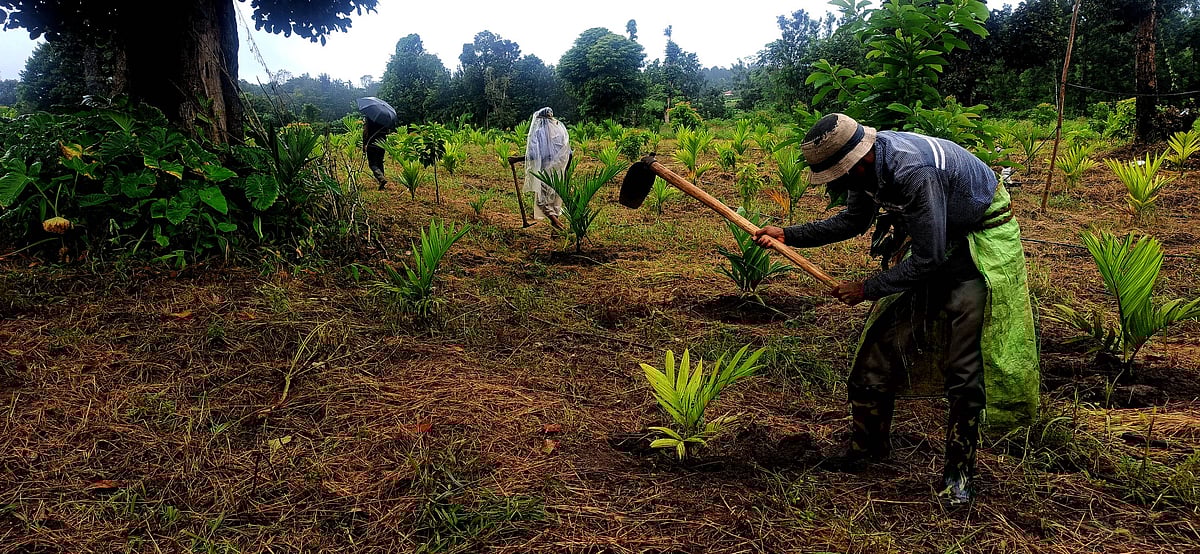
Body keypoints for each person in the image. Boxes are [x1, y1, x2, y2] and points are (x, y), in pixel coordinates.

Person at [754, 113, 1040, 506]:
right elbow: (854, 221)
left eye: (839, 174)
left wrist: (866, 289)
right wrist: (789, 234)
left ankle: (959, 475)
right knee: (878, 349)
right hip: (933, 242)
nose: (837, 183)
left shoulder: (912, 172)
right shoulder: (865, 171)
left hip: (974, 247)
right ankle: (868, 448)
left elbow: (928, 259)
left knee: (964, 365)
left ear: (859, 159)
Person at [524, 107, 571, 229]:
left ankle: (558, 225)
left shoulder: (539, 132)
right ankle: (555, 232)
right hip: (559, 170)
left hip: (546, 171)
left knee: (541, 201)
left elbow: (533, 154)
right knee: (555, 200)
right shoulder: (560, 130)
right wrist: (565, 170)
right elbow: (569, 152)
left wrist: (517, 159)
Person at [364, 116, 393, 190]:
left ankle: (381, 178)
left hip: (372, 144)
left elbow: (365, 133)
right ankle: (382, 184)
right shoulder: (384, 119)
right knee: (380, 162)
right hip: (382, 144)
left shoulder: (369, 119)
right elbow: (387, 132)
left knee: (372, 164)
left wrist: (364, 145)